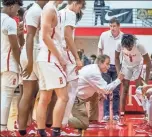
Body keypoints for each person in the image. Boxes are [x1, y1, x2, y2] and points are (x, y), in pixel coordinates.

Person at [36, 1, 69, 136]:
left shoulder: (51, 9)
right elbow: (45, 36)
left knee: (45, 98)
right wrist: (60, 57)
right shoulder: (50, 9)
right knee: (63, 97)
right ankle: (56, 131)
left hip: (45, 58)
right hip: (50, 58)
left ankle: (41, 131)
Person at [67, 55, 124, 129]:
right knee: (84, 124)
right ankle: (62, 121)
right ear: (100, 62)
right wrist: (119, 80)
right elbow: (106, 89)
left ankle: (93, 120)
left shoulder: (94, 68)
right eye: (107, 64)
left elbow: (96, 85)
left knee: (98, 93)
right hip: (76, 99)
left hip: (79, 94)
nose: (109, 67)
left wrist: (100, 92)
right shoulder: (94, 73)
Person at [17, 1, 48, 136]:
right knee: (44, 92)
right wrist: (30, 61)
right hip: (33, 54)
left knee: (28, 94)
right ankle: (42, 126)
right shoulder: (36, 11)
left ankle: (23, 128)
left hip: (29, 53)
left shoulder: (33, 10)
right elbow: (30, 36)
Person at [59, 0, 85, 130]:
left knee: (55, 93)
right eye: (80, 7)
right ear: (76, 3)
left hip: (55, 53)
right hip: (65, 53)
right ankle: (63, 124)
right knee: (72, 89)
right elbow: (68, 36)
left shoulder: (59, 12)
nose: (79, 10)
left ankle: (50, 124)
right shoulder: (70, 13)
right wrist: (77, 58)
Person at [115, 34, 152, 125]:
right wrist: (118, 71)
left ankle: (146, 115)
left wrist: (146, 81)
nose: (129, 48)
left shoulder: (139, 45)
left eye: (130, 46)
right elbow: (116, 58)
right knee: (124, 90)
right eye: (126, 47)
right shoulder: (119, 43)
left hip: (137, 65)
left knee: (140, 90)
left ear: (133, 43)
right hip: (126, 65)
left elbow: (148, 62)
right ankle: (122, 116)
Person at [1, 0, 23, 136]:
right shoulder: (9, 21)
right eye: (16, 9)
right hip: (8, 63)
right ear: (11, 6)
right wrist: (21, 63)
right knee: (6, 96)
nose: (17, 12)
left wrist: (18, 34)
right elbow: (15, 47)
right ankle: (3, 129)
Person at [98, 17, 123, 122]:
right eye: (110, 26)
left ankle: (116, 114)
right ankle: (106, 114)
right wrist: (99, 64)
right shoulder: (104, 35)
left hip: (118, 66)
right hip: (106, 66)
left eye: (114, 26)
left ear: (118, 26)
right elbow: (100, 49)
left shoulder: (123, 37)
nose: (112, 28)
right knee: (106, 90)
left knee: (116, 91)